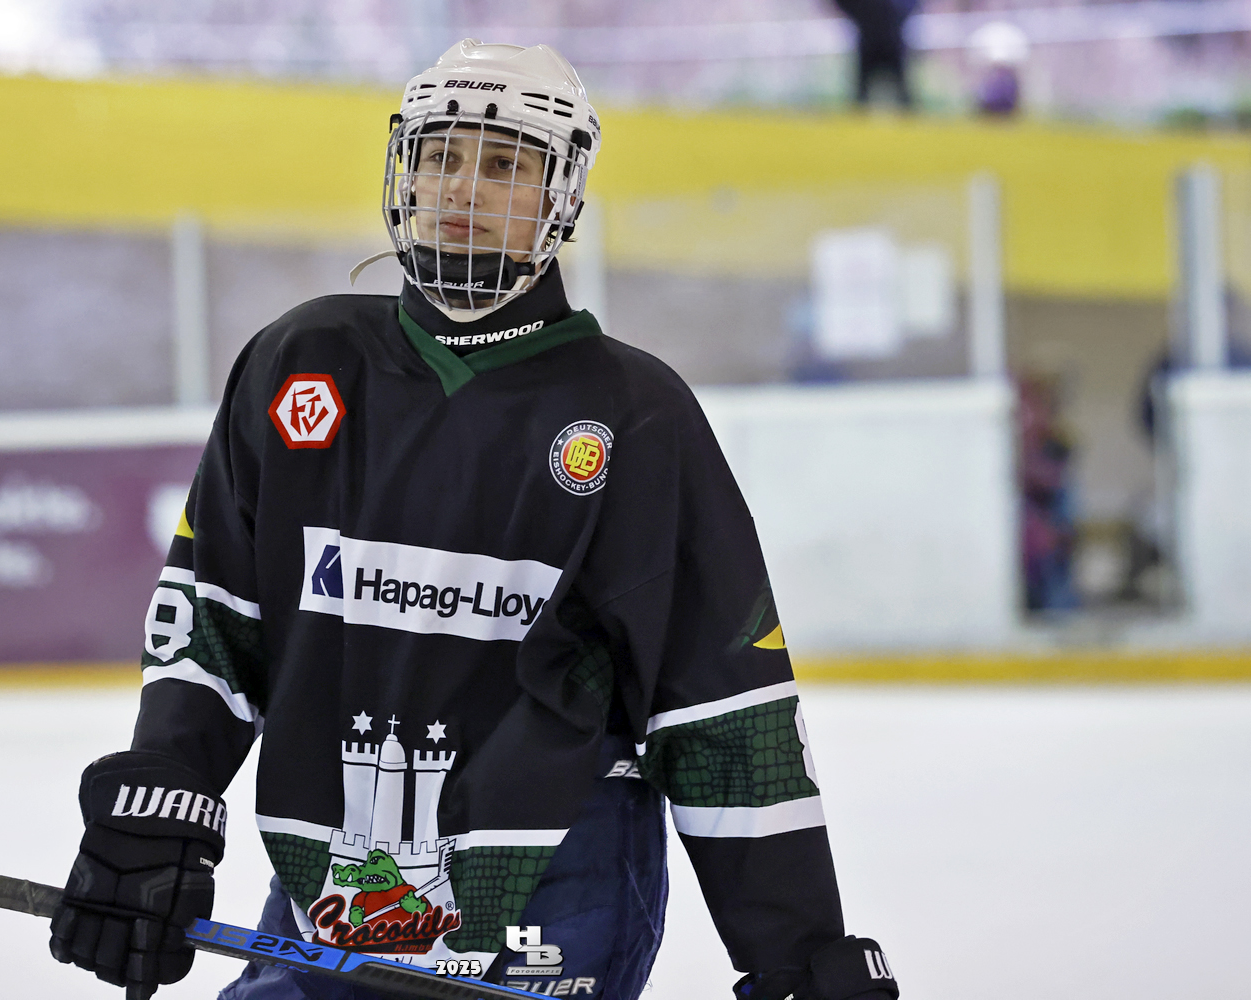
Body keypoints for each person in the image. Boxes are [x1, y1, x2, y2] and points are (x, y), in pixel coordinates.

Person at [46, 39, 899, 1000]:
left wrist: (797, 953)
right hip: (330, 881)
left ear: (560, 195)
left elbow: (720, 708)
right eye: (440, 156)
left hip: (555, 883)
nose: (461, 188)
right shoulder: (302, 363)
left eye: (504, 164)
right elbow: (216, 621)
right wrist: (161, 801)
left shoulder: (634, 415)